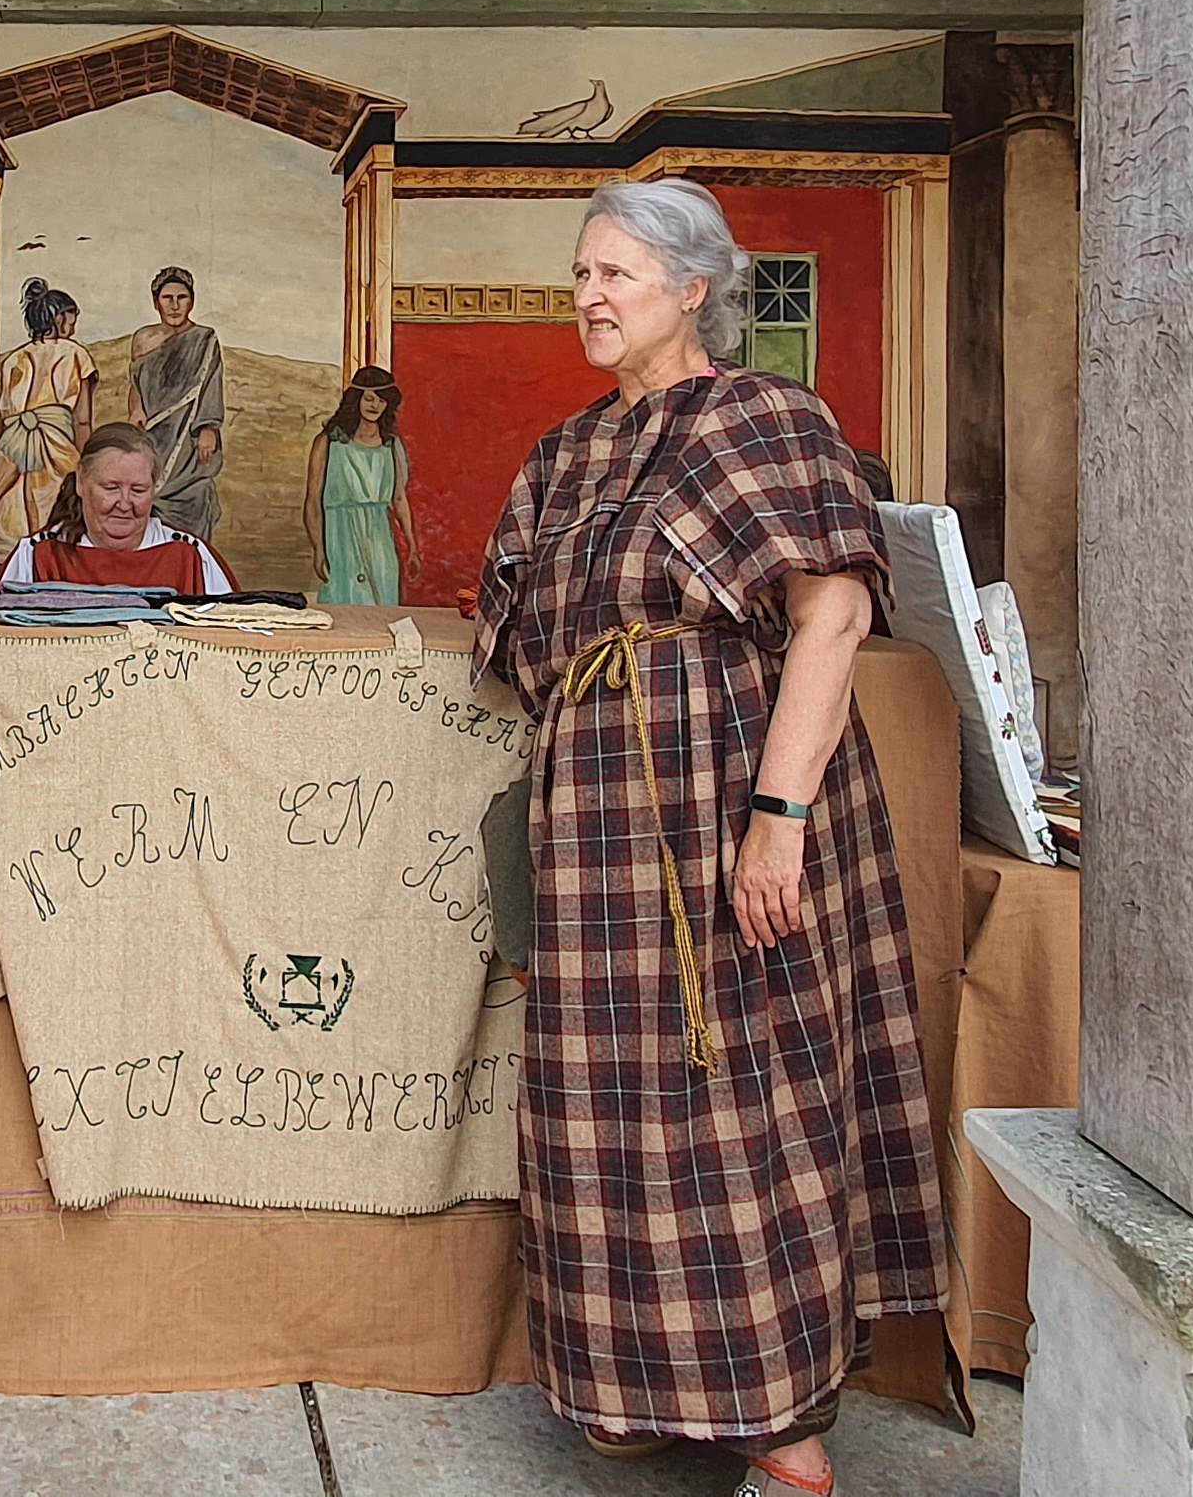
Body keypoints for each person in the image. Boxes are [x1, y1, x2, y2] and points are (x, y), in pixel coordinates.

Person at [475, 178, 943, 1496]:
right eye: (580, 274)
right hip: (598, 830)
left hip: (738, 791)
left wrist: (777, 821)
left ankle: (774, 1408)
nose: (589, 295)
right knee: (599, 1104)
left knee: (748, 1090)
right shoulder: (564, 456)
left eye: (615, 272)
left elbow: (834, 618)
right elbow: (518, 648)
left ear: (693, 286)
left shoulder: (767, 417)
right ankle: (633, 1385)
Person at [0, 422, 234, 595]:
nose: (124, 504)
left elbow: (232, 643)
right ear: (81, 482)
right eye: (111, 488)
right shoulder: (37, 555)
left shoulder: (191, 556)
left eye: (138, 490)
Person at [0, 279, 93, 543]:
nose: (74, 326)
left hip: (11, 449)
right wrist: (88, 461)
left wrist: (14, 445)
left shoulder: (12, 359)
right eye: (72, 318)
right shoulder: (76, 354)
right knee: (56, 519)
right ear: (58, 319)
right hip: (57, 447)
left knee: (9, 520)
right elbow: (82, 419)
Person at [124, 265, 228, 541]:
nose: (174, 305)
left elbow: (210, 384)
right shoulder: (143, 339)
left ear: (191, 301)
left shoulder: (204, 339)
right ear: (155, 302)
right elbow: (136, 385)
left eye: (181, 298)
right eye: (167, 298)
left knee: (196, 494)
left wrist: (208, 428)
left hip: (189, 437)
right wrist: (137, 408)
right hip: (154, 435)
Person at [301, 363, 412, 606]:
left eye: (381, 401)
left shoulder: (390, 445)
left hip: (379, 538)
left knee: (382, 603)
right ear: (357, 399)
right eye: (370, 399)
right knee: (346, 603)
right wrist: (319, 548)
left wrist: (412, 545)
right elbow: (312, 502)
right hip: (341, 538)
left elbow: (399, 498)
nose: (375, 406)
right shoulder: (329, 442)